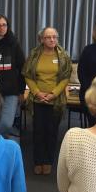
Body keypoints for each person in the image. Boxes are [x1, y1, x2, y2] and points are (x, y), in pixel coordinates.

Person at [23, 27, 72, 175]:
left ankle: (48, 160)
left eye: (54, 37)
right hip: (37, 99)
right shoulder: (34, 55)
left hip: (55, 100)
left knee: (52, 132)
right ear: (41, 39)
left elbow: (66, 77)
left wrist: (53, 94)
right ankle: (38, 161)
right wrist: (37, 93)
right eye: (48, 37)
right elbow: (28, 75)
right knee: (38, 132)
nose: (52, 40)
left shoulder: (63, 55)